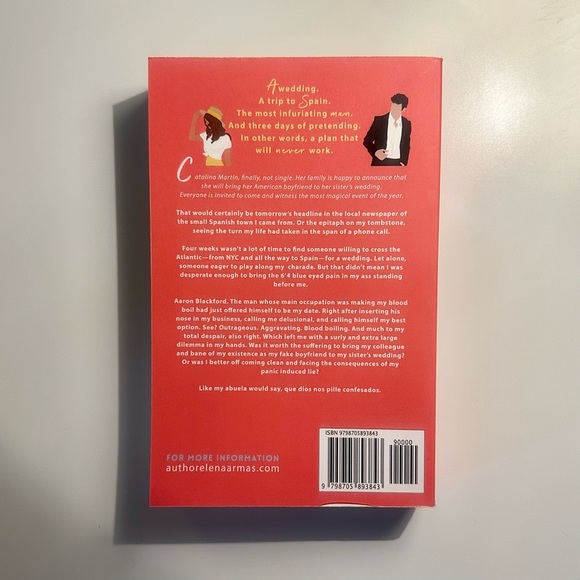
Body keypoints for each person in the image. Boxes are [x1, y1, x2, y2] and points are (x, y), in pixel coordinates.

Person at [363, 93, 411, 166]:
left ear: (403, 109)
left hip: (398, 164)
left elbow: (406, 145)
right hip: (379, 163)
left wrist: (403, 162)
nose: (393, 110)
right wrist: (375, 152)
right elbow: (367, 141)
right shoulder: (379, 121)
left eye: (397, 108)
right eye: (393, 106)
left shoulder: (407, 124)